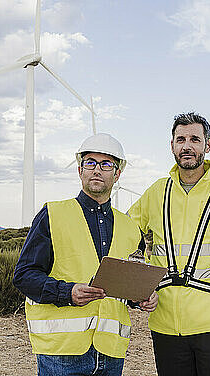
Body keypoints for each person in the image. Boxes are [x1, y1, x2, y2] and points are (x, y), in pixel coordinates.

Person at [13, 133, 158, 376]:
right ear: (80, 170)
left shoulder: (131, 228)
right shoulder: (53, 214)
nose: (97, 170)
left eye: (106, 164)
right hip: (61, 352)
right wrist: (67, 292)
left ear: (117, 174)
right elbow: (24, 276)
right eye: (90, 163)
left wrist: (143, 297)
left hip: (111, 351)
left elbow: (128, 284)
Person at [128, 112, 210, 376]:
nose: (187, 146)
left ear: (207, 146)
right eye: (180, 139)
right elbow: (125, 236)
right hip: (165, 329)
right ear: (172, 146)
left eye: (194, 139)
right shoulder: (156, 191)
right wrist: (138, 287)